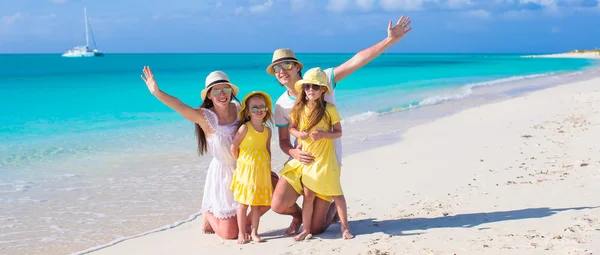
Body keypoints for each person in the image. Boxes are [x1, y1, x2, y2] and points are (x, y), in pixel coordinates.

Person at [268, 16, 413, 236]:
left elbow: (355, 61)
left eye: (286, 64)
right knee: (278, 205)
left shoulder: (322, 79)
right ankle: (299, 217)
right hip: (300, 160)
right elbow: (284, 140)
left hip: (326, 161)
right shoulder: (281, 104)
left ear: (297, 67)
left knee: (316, 228)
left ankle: (332, 214)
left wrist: (389, 41)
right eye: (277, 68)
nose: (281, 70)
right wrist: (294, 153)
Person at [141, 67, 273, 240]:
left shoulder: (240, 109)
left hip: (247, 170)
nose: (222, 94)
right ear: (209, 95)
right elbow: (180, 105)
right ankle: (209, 214)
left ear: (231, 92)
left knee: (274, 194)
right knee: (230, 234)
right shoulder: (205, 117)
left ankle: (245, 225)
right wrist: (157, 92)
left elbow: (259, 127)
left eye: (226, 89)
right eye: (216, 90)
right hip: (224, 174)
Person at [283, 67, 352, 241]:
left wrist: (323, 135)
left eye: (315, 87)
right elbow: (291, 128)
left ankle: (345, 227)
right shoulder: (298, 108)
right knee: (308, 196)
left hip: (326, 160)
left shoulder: (329, 109)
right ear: (303, 89)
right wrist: (299, 134)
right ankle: (306, 229)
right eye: (307, 87)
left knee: (337, 193)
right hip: (308, 160)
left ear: (322, 89)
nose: (310, 90)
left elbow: (338, 132)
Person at [230, 91, 274, 244]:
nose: (259, 110)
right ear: (248, 112)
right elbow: (234, 147)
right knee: (243, 204)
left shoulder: (268, 130)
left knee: (256, 205)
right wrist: (241, 163)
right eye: (254, 108)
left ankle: (255, 232)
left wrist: (268, 168)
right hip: (246, 172)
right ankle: (242, 233)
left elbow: (268, 150)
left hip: (261, 172)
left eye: (262, 107)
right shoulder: (245, 128)